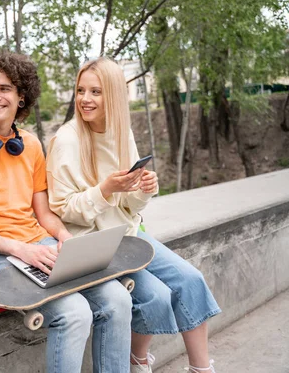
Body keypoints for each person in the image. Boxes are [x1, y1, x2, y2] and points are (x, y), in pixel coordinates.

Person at [0, 52, 133, 373]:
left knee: (118, 301)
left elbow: (44, 214)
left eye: (5, 88)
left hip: (41, 247)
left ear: (21, 96)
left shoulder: (33, 144)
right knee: (75, 313)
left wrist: (65, 238)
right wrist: (22, 249)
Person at [46, 57, 221, 373]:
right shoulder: (66, 140)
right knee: (154, 297)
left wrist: (143, 190)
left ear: (112, 95)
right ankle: (138, 361)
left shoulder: (120, 131)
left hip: (128, 235)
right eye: (81, 90)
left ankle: (201, 368)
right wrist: (105, 189)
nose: (85, 99)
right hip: (92, 243)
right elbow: (63, 210)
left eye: (96, 92)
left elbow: (129, 209)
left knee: (191, 279)